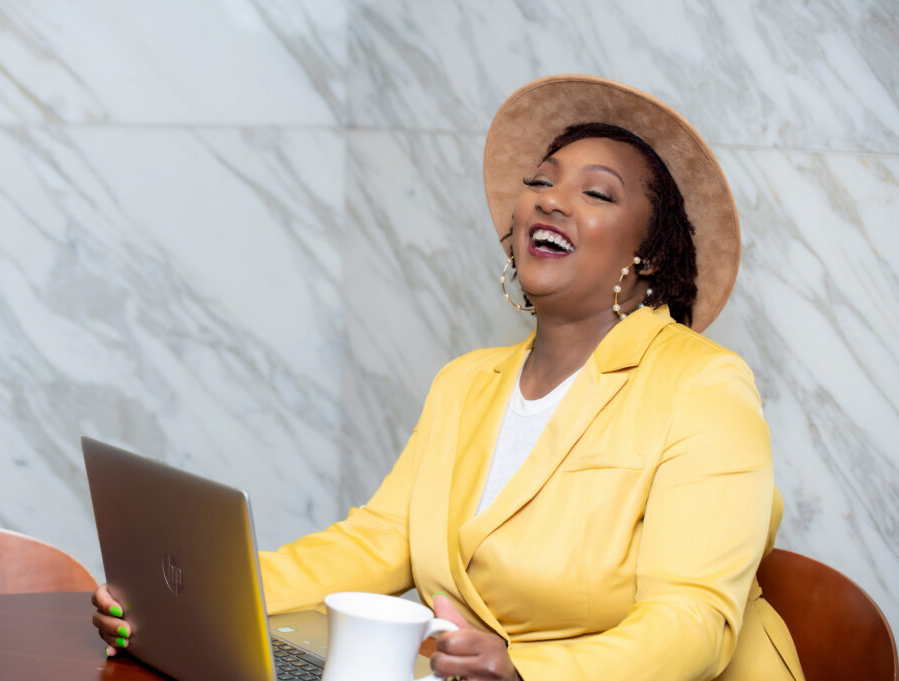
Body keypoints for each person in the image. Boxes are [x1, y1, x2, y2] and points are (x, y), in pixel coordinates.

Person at [92, 75, 805, 681]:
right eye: (541, 181)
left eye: (598, 193)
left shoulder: (703, 386)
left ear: (648, 256)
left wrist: (525, 669)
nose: (551, 199)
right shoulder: (466, 382)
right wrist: (207, 595)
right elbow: (376, 540)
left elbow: (693, 619)